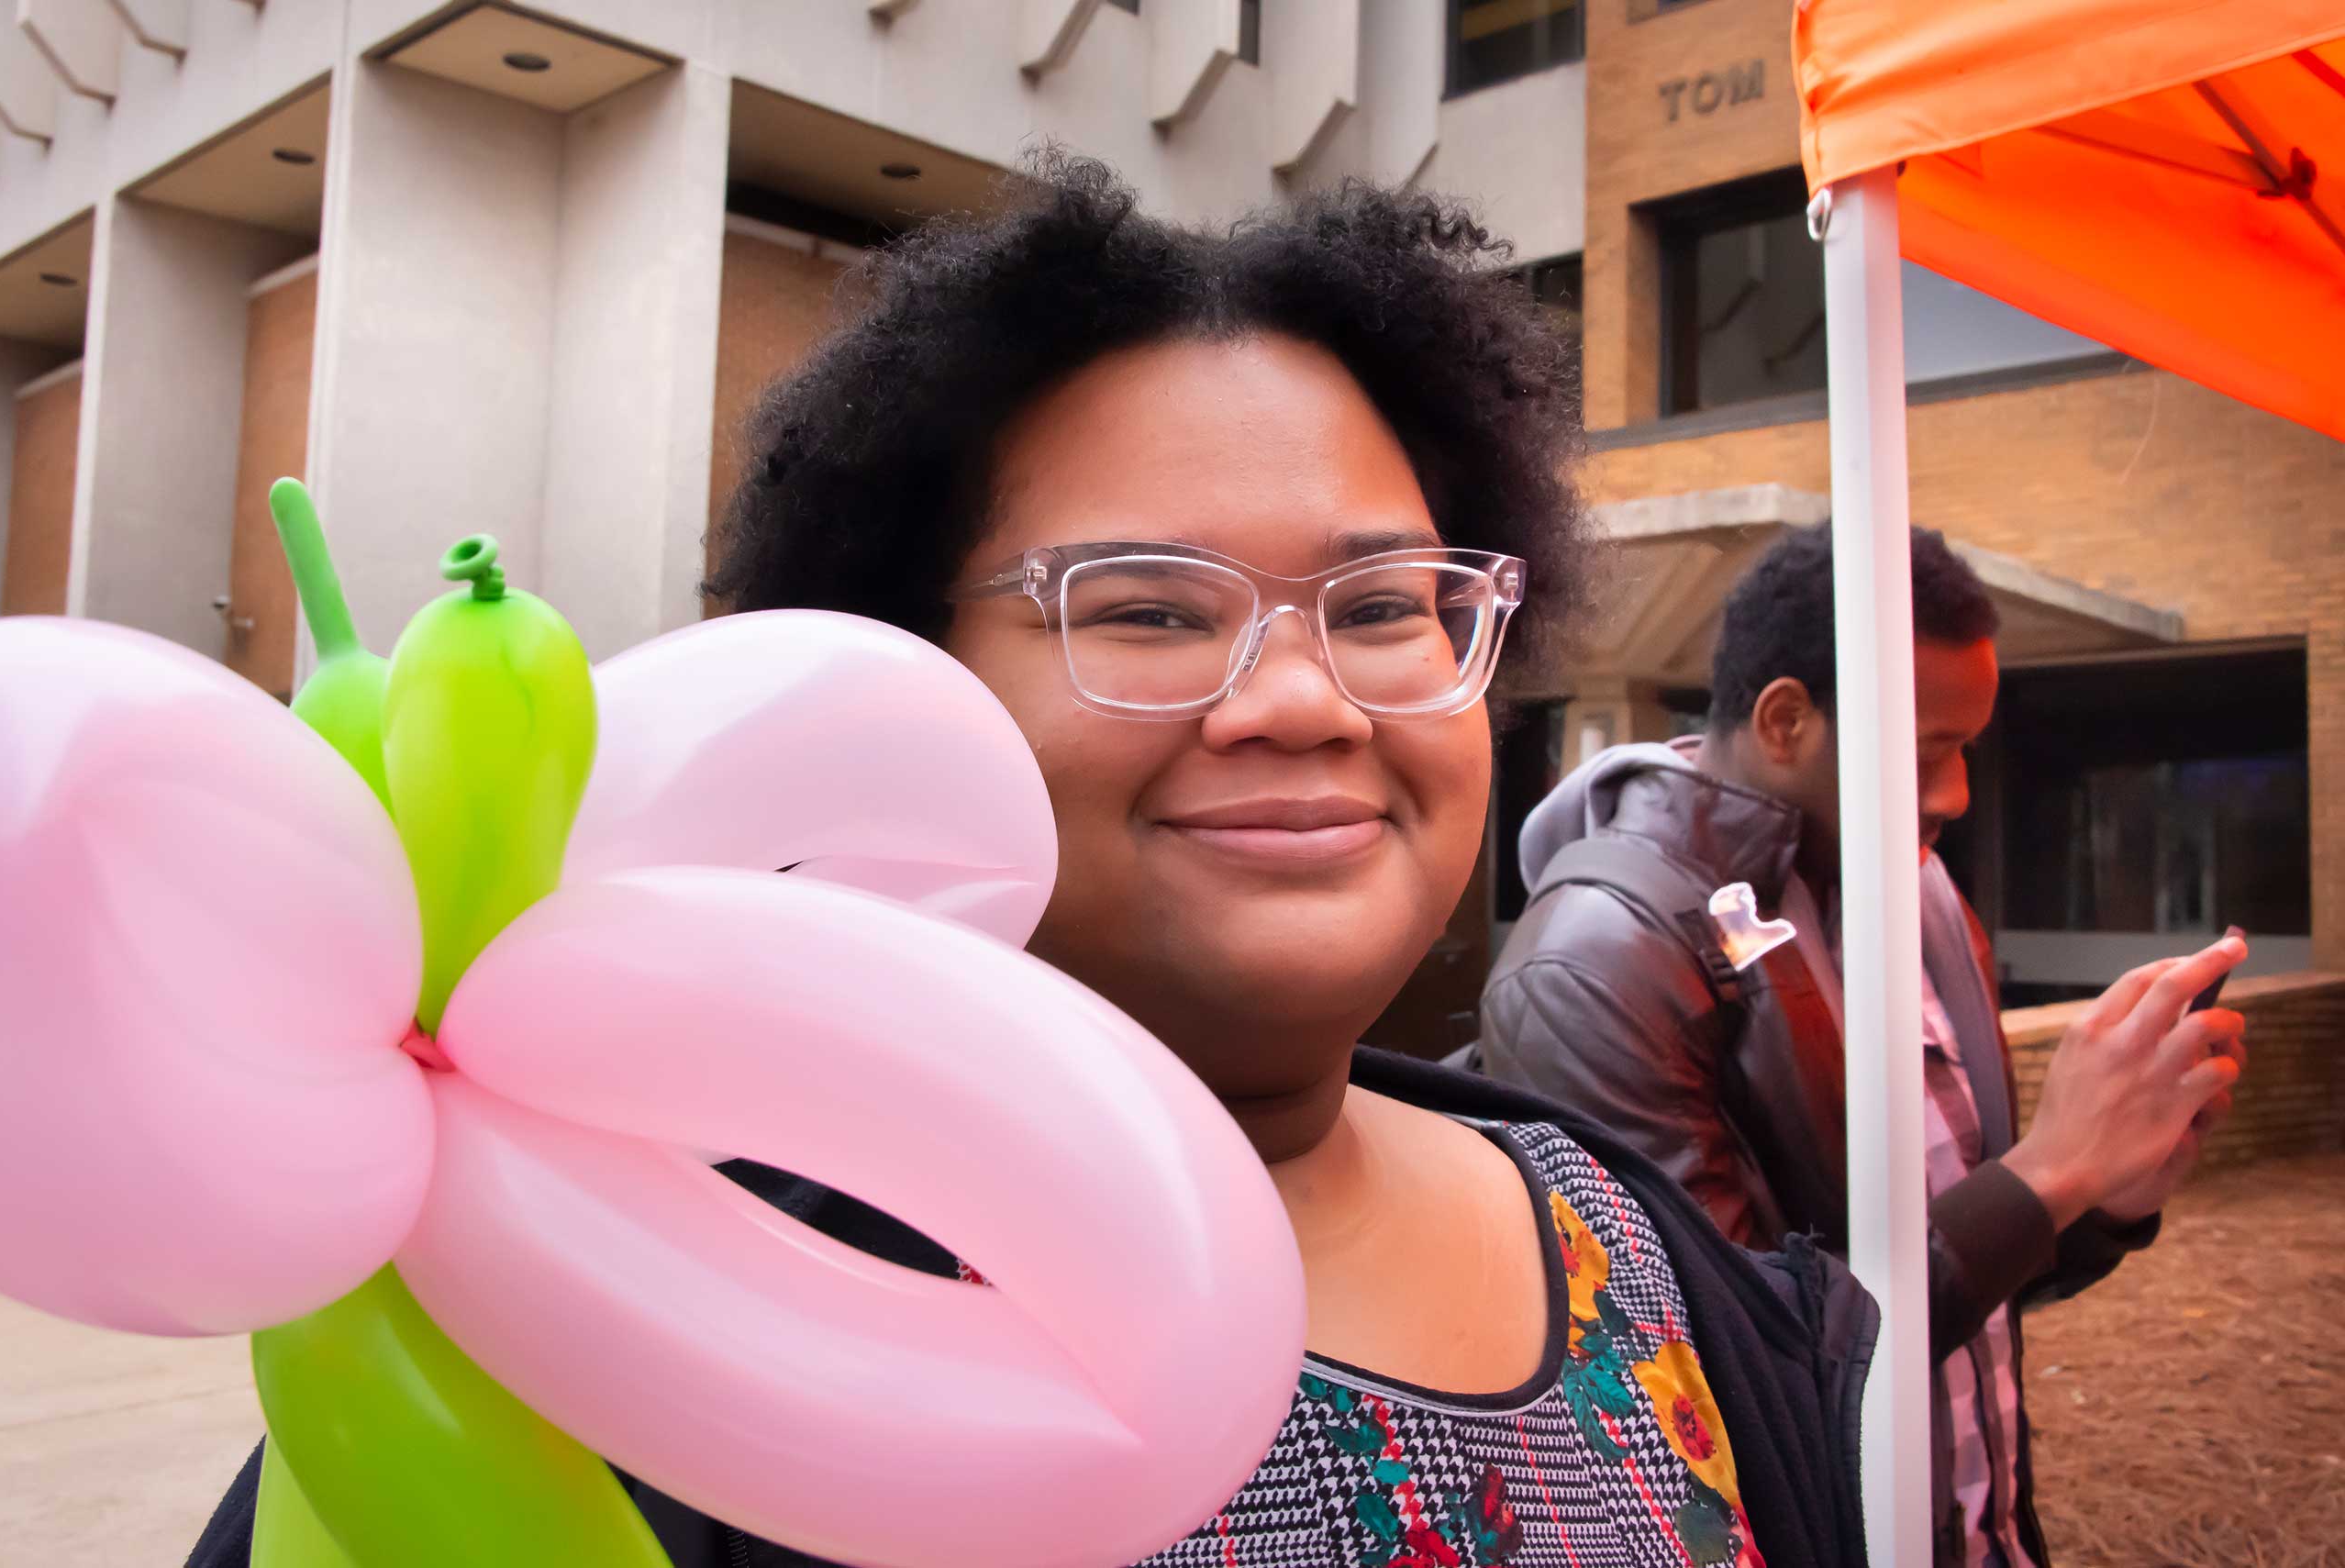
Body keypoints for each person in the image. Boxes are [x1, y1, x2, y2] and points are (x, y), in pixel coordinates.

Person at [190, 160, 1873, 1568]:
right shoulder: (621, 1307)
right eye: (1148, 610)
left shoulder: (1667, 1269)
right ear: (896, 675)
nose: (1304, 700)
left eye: (1379, 606)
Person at [1474, 523, 2249, 1568]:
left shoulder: (1919, 893)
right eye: (1927, 752)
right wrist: (2050, 1168)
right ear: (1786, 720)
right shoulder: (1594, 963)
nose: (1956, 792)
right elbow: (1723, 1371)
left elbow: (1980, 1277)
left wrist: (2104, 1190)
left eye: (1967, 748)